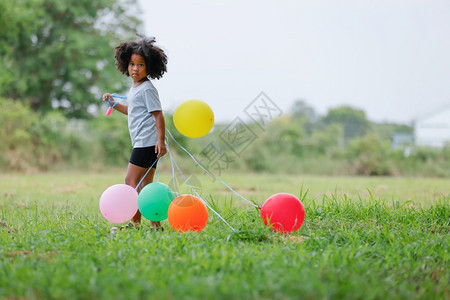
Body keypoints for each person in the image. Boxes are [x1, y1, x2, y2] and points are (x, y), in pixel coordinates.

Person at [102, 35, 168, 232]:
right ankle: (155, 225)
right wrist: (114, 105)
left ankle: (135, 223)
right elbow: (133, 111)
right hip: (145, 143)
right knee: (145, 186)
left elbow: (159, 116)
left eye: (140, 65)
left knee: (130, 182)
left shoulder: (147, 88)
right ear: (126, 65)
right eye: (131, 64)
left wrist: (161, 141)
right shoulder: (137, 88)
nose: (135, 69)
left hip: (146, 144)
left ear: (149, 67)